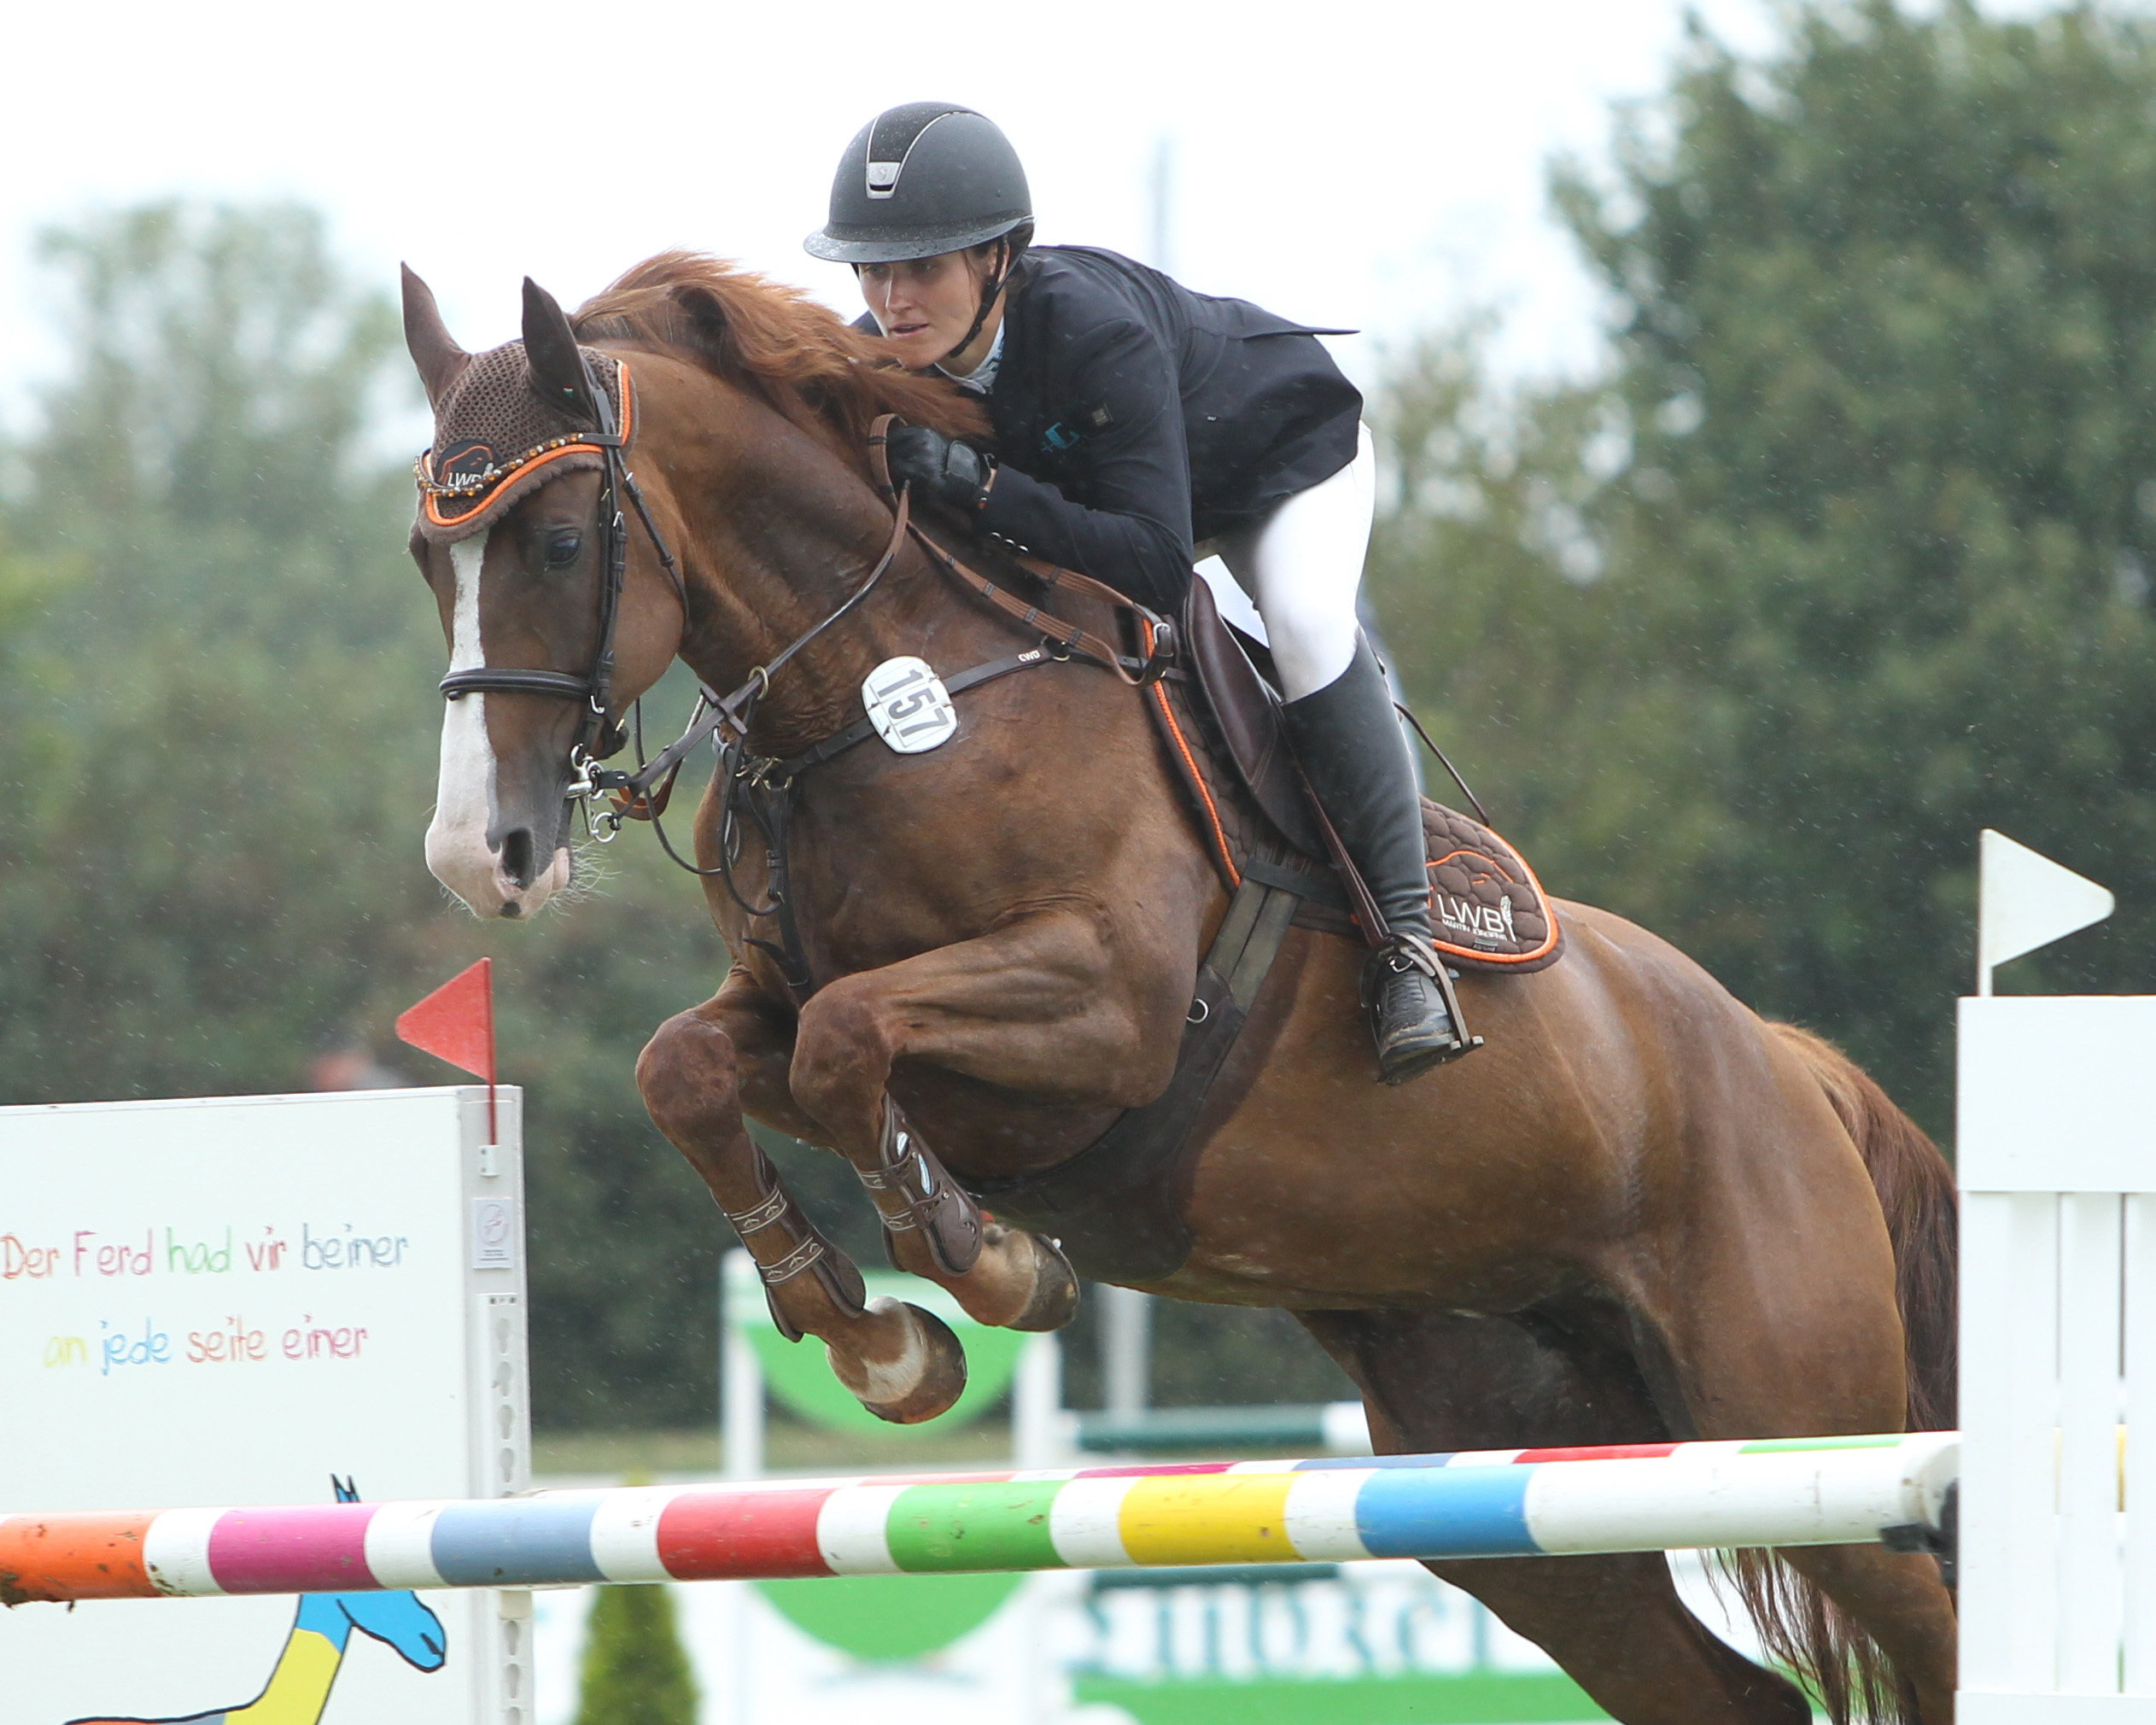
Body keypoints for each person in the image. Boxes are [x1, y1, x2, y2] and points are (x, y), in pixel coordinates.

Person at [805, 102, 1469, 1084]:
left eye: (923, 268)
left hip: (1274, 463)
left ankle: (1408, 948)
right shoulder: (880, 355)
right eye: (871, 269)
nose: (892, 299)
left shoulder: (1087, 333)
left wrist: (980, 487)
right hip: (1130, 500)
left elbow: (1157, 568)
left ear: (997, 259)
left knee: (1305, 624)